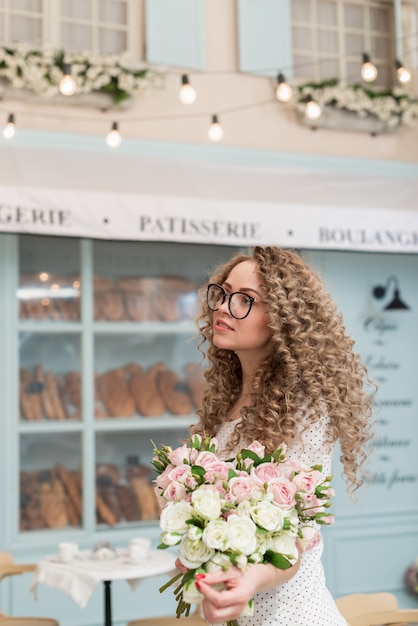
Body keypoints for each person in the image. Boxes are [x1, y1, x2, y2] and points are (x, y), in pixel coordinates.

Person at [179, 245, 375, 626]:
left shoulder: (306, 411)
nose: (223, 306)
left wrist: (249, 580)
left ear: (283, 318)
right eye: (222, 292)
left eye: (246, 300)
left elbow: (296, 541)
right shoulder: (229, 403)